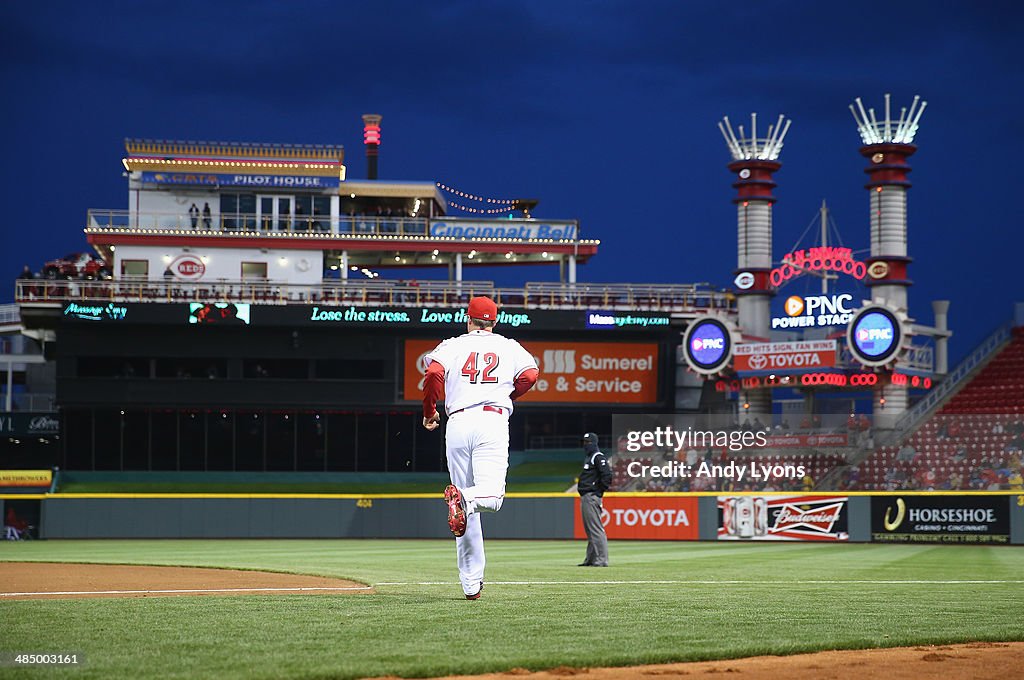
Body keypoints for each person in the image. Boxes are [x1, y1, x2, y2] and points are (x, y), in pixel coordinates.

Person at [421, 296, 539, 600]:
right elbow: (530, 375)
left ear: (468, 319)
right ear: (494, 322)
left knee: (465, 508)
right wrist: (509, 395)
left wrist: (429, 410)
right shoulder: (509, 345)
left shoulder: (452, 344)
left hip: (457, 422)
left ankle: (471, 584)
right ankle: (464, 498)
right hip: (492, 419)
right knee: (491, 497)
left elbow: (433, 373)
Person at [577, 432, 612, 567]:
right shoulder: (590, 457)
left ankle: (602, 559)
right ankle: (591, 559)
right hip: (586, 496)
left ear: (594, 443)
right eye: (584, 442)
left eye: (588, 442)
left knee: (596, 528)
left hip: (591, 496)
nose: (585, 445)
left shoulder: (597, 457)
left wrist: (598, 491)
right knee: (590, 529)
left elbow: (607, 475)